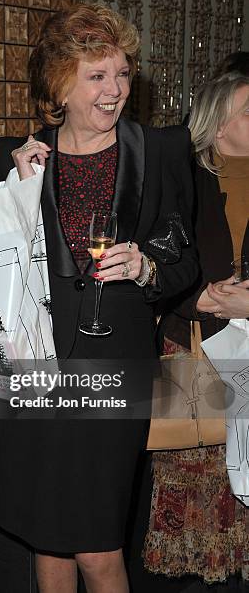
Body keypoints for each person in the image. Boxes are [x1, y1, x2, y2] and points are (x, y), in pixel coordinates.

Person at [0, 3, 198, 593]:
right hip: (37, 361)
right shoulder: (21, 155)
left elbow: (187, 262)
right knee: (48, 537)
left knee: (97, 549)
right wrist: (20, 193)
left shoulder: (159, 150)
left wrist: (147, 265)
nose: (116, 91)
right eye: (98, 76)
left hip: (116, 364)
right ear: (58, 83)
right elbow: (0, 266)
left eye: (123, 73)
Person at [143, 71, 249, 591]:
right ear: (217, 123)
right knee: (194, 476)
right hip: (194, 345)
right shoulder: (179, 177)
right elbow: (153, 261)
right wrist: (194, 297)